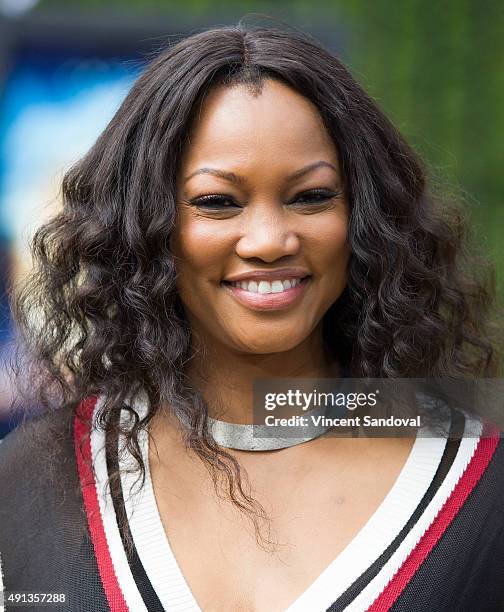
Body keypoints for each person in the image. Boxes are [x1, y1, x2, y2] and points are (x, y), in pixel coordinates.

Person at [1, 22, 503, 612]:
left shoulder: (482, 484)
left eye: (311, 196)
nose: (268, 240)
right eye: (217, 202)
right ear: (143, 228)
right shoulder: (29, 486)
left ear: (366, 217)